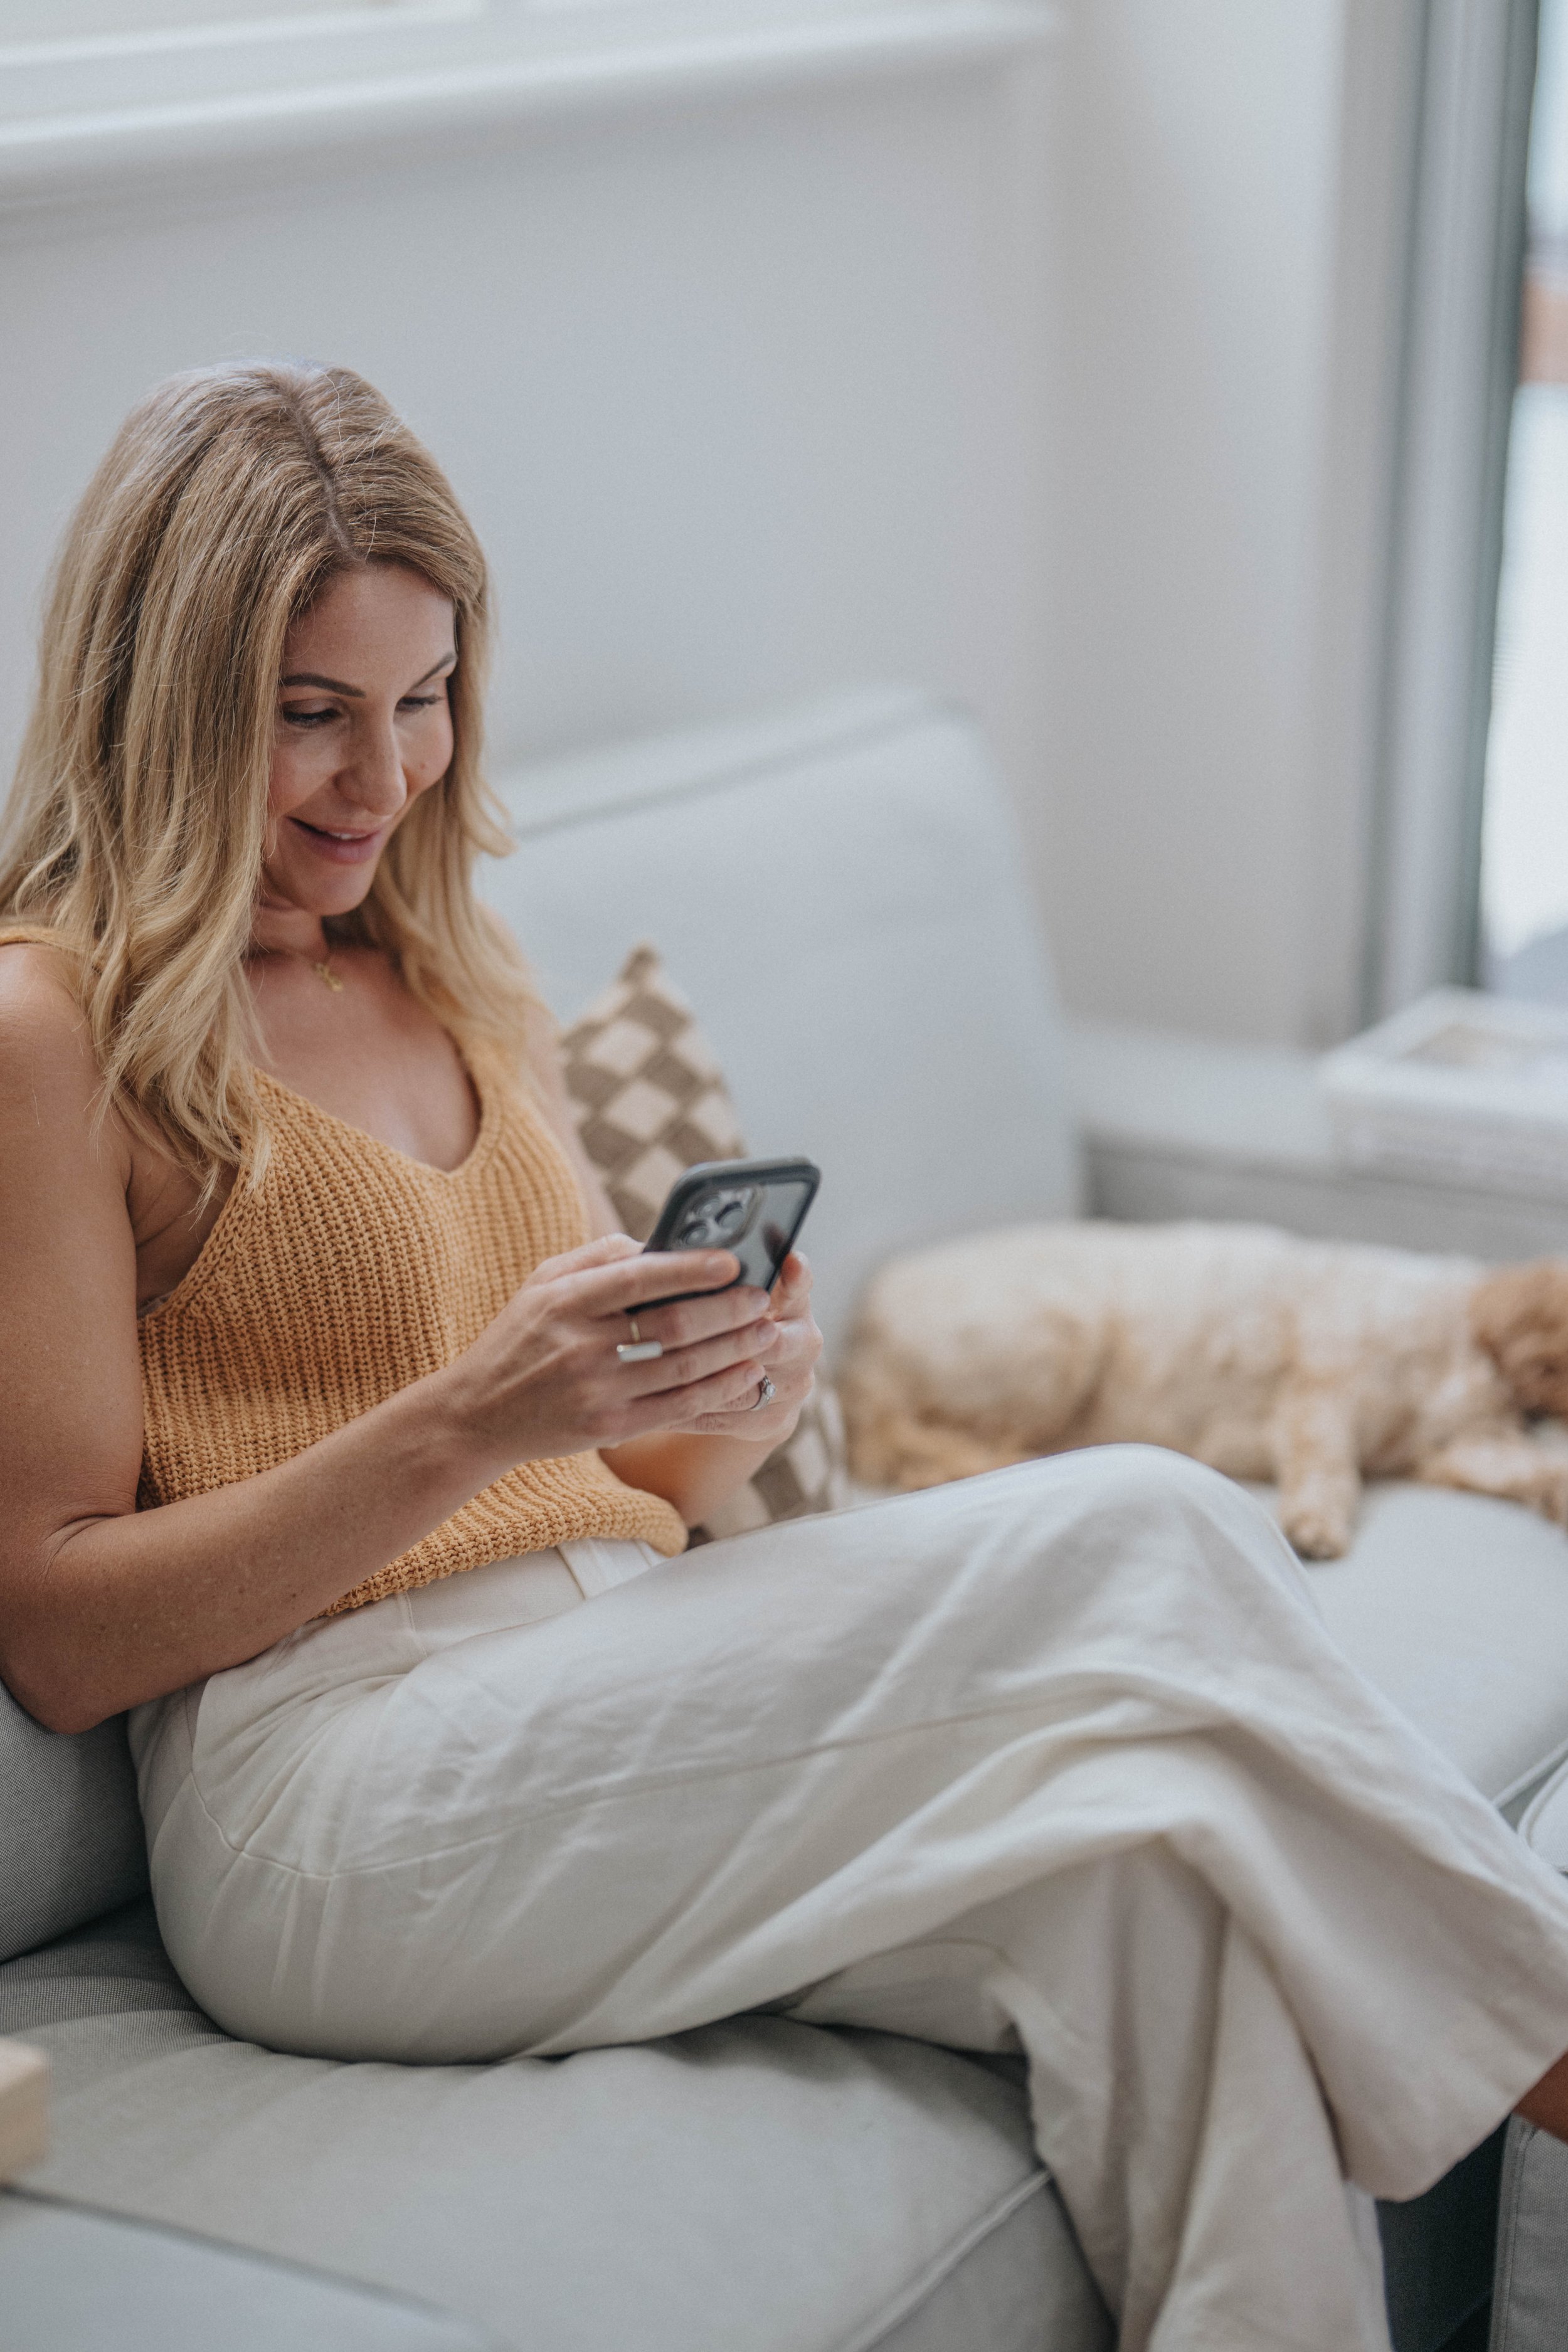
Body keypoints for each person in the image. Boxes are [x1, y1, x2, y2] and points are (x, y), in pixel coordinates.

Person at [3, 361, 1568, 2352]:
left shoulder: (459, 973)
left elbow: (636, 1494)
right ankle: (1547, 2025)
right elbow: (57, 1624)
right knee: (1149, 1531)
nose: (378, 781)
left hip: (602, 1676)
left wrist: (719, 1404)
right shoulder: (57, 1033)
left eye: (423, 701)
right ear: (162, 694)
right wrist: (474, 1415)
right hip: (334, 1799)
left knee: (1165, 1907)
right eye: (308, 711)